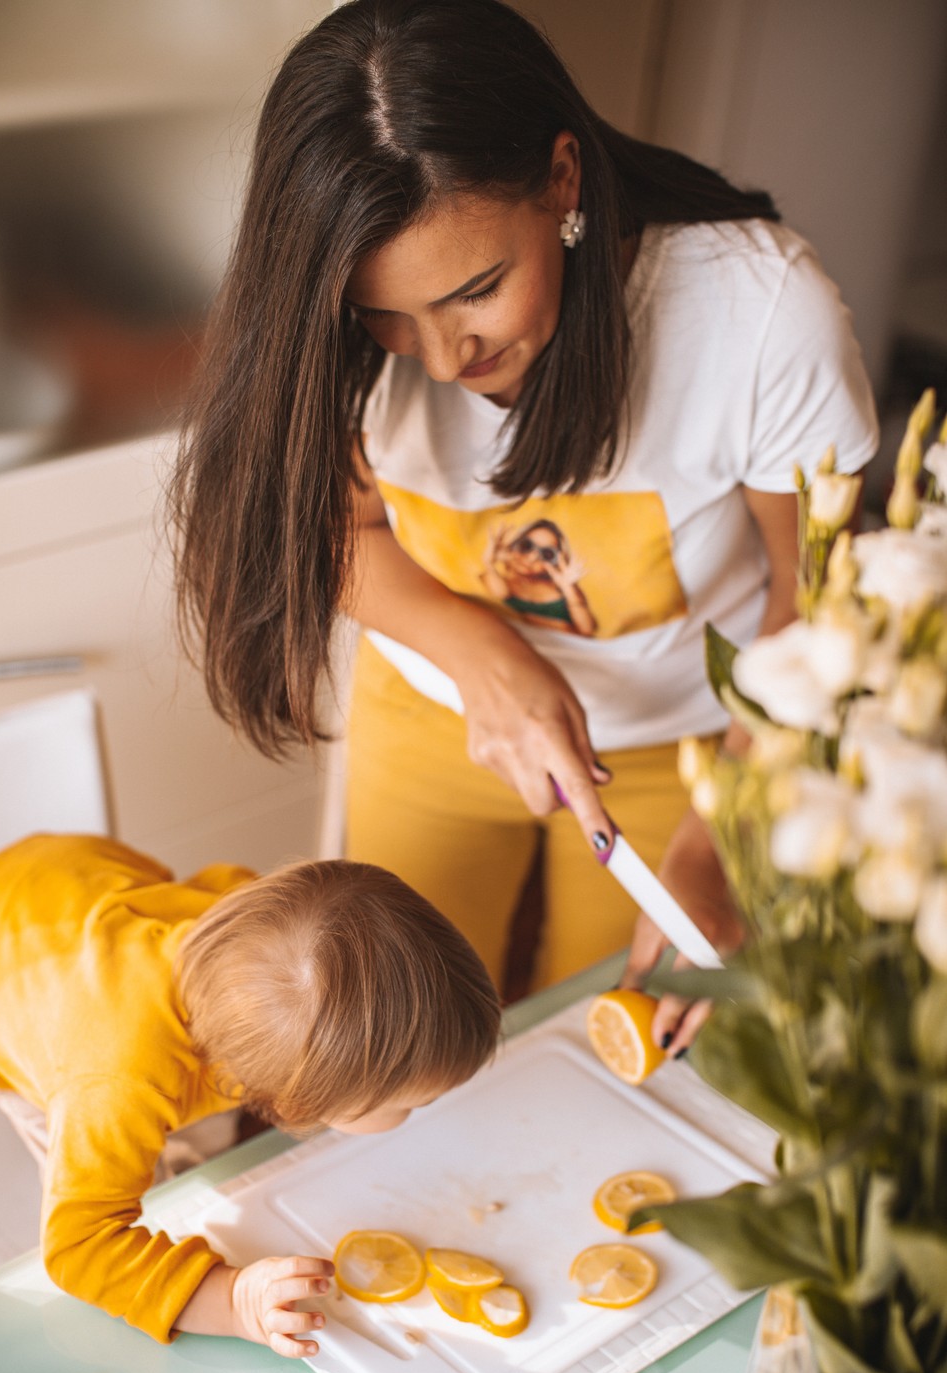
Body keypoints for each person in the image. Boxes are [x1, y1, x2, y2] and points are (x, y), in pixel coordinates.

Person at [168, 0, 878, 1053]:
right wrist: (476, 650)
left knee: (604, 1041)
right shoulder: (330, 339)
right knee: (391, 1042)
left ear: (561, 182)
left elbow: (809, 592)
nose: (445, 360)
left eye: (476, 292)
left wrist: (721, 836)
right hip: (432, 719)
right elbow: (332, 529)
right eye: (389, 318)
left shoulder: (757, 314)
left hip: (686, 749)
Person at [0, 833, 499, 1353]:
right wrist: (232, 1301)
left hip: (61, 877)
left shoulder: (260, 928)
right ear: (288, 1109)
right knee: (83, 1155)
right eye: (411, 1103)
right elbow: (78, 1249)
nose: (426, 1109)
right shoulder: (110, 1090)